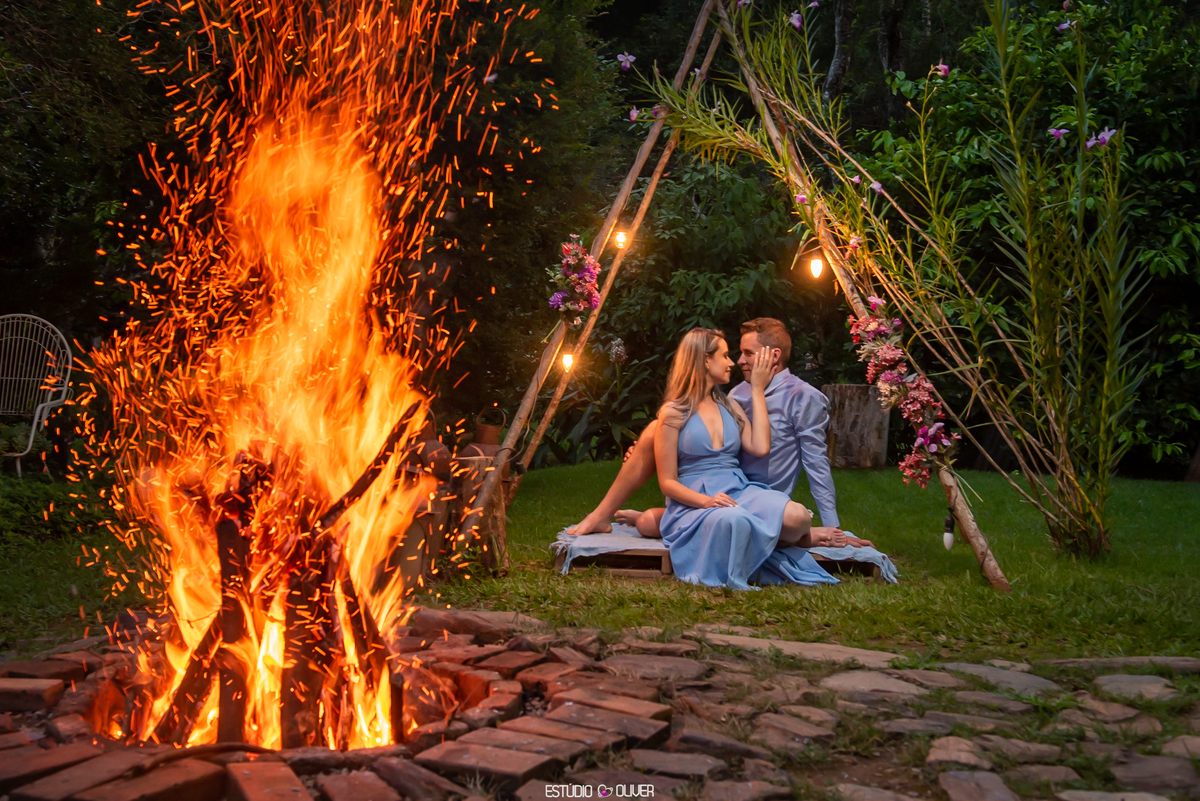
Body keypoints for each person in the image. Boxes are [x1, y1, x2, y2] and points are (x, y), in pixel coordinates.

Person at [566, 318, 870, 549]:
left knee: (791, 518)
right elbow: (699, 445)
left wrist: (834, 528)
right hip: (709, 491)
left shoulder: (803, 398)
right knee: (653, 431)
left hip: (754, 495)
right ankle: (606, 514)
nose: (737, 361)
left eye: (747, 353)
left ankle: (656, 519)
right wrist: (655, 450)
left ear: (773, 356)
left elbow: (814, 466)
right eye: (731, 354)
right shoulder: (734, 395)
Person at [650, 328, 838, 589]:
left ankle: (768, 533)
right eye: (725, 356)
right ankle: (660, 521)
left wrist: (757, 390)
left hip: (738, 490)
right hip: (696, 498)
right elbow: (667, 482)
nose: (732, 363)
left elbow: (760, 447)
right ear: (705, 359)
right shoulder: (672, 412)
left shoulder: (731, 404)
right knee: (734, 520)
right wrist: (706, 501)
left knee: (798, 517)